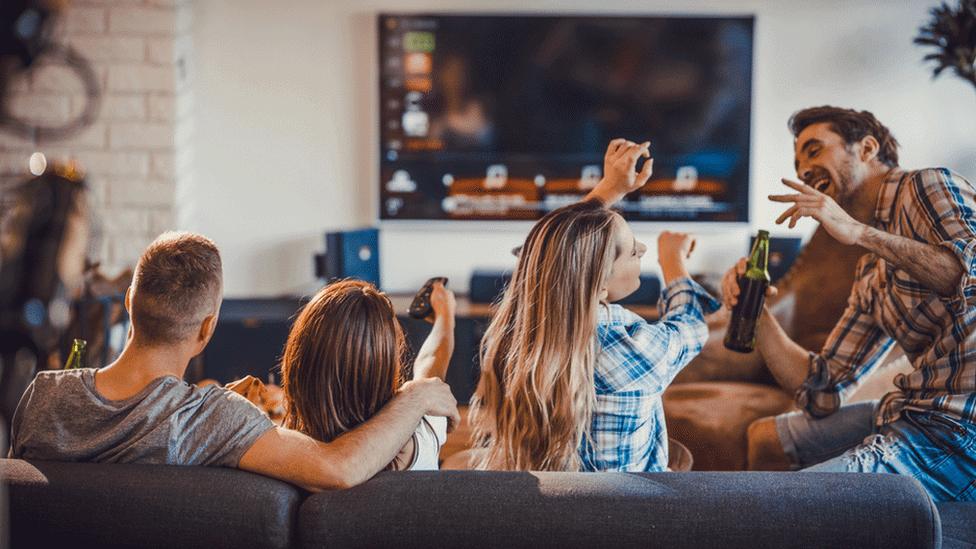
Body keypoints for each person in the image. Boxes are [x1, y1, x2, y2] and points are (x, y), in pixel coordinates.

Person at [9, 231, 459, 491]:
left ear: (129, 302)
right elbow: (338, 469)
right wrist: (416, 395)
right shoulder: (215, 421)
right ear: (207, 329)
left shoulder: (41, 397)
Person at [723, 106, 976, 502]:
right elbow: (823, 391)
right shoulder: (872, 273)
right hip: (912, 412)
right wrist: (756, 310)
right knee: (766, 440)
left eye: (814, 150)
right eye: (798, 161)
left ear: (867, 148)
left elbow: (968, 273)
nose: (804, 169)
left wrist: (858, 232)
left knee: (784, 504)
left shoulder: (925, 186)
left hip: (961, 430)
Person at [468, 139, 719, 471]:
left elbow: (548, 256)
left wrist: (607, 191)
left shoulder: (517, 333)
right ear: (599, 283)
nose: (642, 249)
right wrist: (673, 263)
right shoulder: (631, 346)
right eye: (632, 250)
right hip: (626, 513)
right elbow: (690, 327)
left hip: (543, 507)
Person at [280, 278, 456, 471]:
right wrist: (445, 316)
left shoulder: (283, 454)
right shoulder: (421, 437)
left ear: (297, 363)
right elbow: (431, 363)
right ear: (384, 366)